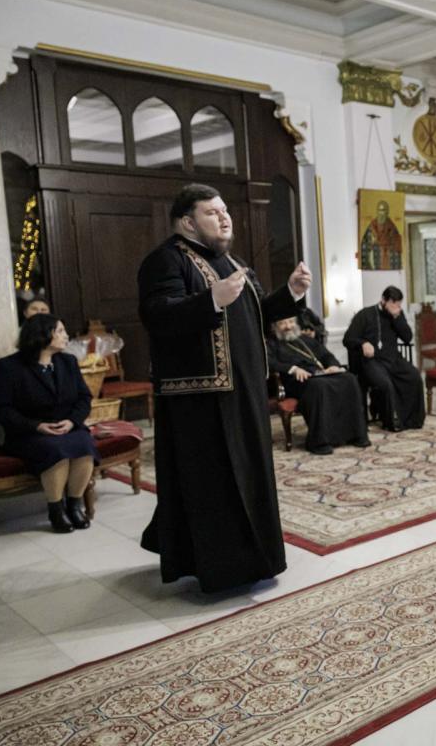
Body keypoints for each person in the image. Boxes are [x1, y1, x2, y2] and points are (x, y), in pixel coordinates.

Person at [137, 183, 310, 593]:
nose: (225, 217)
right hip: (201, 401)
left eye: (225, 210)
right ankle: (223, 570)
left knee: (251, 478)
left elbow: (257, 310)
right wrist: (211, 299)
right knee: (214, 487)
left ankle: (258, 561)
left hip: (245, 391)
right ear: (187, 222)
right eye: (212, 212)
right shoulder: (166, 260)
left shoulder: (232, 261)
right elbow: (157, 315)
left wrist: (292, 292)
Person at [0, 314, 98, 533]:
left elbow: (84, 398)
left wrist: (72, 421)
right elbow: (2, 410)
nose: (66, 336)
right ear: (42, 335)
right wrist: (37, 426)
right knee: (56, 449)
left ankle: (74, 505)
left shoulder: (68, 362)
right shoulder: (9, 367)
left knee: (85, 445)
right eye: (60, 331)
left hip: (67, 428)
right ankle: (56, 510)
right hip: (28, 433)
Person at [268, 317, 370, 455]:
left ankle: (356, 434)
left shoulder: (305, 339)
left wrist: (333, 365)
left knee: (349, 379)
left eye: (291, 322)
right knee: (319, 386)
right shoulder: (272, 344)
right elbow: (270, 363)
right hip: (296, 381)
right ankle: (320, 441)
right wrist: (293, 369)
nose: (288, 326)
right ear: (275, 327)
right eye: (283, 323)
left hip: (319, 375)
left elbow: (326, 355)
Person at [343, 286, 425, 432]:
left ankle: (412, 420)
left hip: (393, 359)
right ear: (383, 300)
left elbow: (407, 338)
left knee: (414, 377)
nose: (396, 307)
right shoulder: (365, 314)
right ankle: (392, 421)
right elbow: (348, 339)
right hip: (372, 361)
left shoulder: (398, 314)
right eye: (393, 303)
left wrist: (397, 318)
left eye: (398, 304)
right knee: (385, 384)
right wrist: (363, 343)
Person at [359, 199, 403, 270]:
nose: (381, 213)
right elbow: (364, 248)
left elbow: (398, 248)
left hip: (391, 265)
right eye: (379, 210)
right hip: (375, 265)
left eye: (383, 210)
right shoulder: (372, 226)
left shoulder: (392, 227)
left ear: (387, 212)